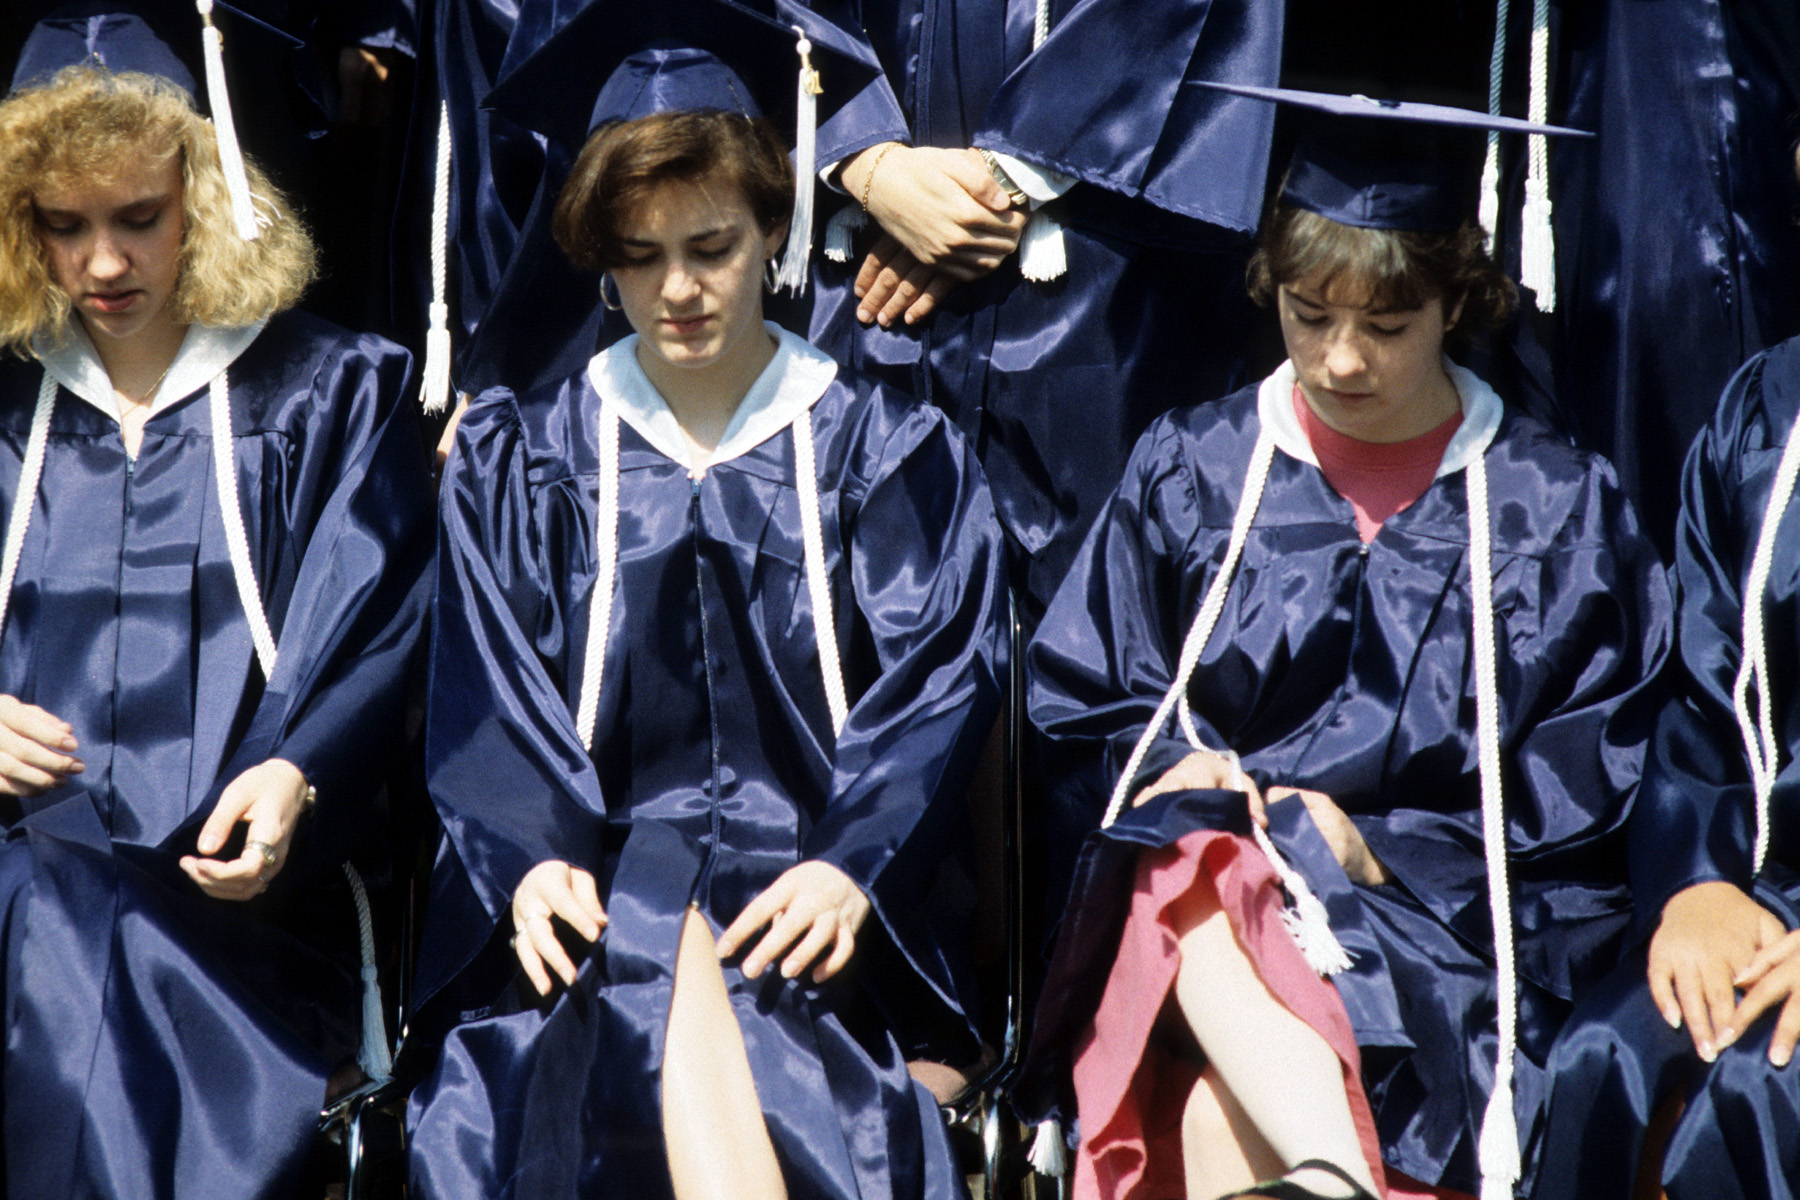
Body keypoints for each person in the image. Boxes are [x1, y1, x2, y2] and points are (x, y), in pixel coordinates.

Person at [1017, 88, 1672, 1200]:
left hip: (1443, 932)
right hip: (1207, 915)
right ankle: (1334, 1172)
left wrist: (1370, 856)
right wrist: (1180, 768)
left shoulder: (1555, 507)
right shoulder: (1195, 470)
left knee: (1217, 1117)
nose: (1342, 361)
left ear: (1459, 302)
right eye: (1308, 315)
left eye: (1388, 325)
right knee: (1196, 846)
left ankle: (1326, 1172)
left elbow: (1591, 791)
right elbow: (1088, 701)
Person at [403, 34, 1008, 1200]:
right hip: (583, 906)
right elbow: (487, 693)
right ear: (599, 260)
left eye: (711, 247)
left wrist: (854, 869)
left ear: (775, 229)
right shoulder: (523, 457)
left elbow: (937, 693)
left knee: (697, 983)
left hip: (820, 914)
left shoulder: (885, 450)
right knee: (646, 921)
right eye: (640, 257)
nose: (677, 290)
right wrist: (528, 863)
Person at [0, 8, 434, 1197]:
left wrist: (299, 771)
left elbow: (378, 628)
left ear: (204, 197)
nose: (103, 266)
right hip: (19, 886)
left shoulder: (330, 393)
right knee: (49, 908)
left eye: (138, 218)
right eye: (64, 226)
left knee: (75, 940)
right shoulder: (5, 405)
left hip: (246, 912)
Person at [807, 0, 1283, 626]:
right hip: (862, 237)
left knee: (1102, 613)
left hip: (1099, 270)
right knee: (862, 589)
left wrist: (1005, 177)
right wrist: (863, 155)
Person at [1533, 148, 1800, 1199]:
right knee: (1601, 1055)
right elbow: (1699, 693)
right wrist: (1694, 884)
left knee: (1762, 1092)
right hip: (1759, 888)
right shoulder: (1765, 411)